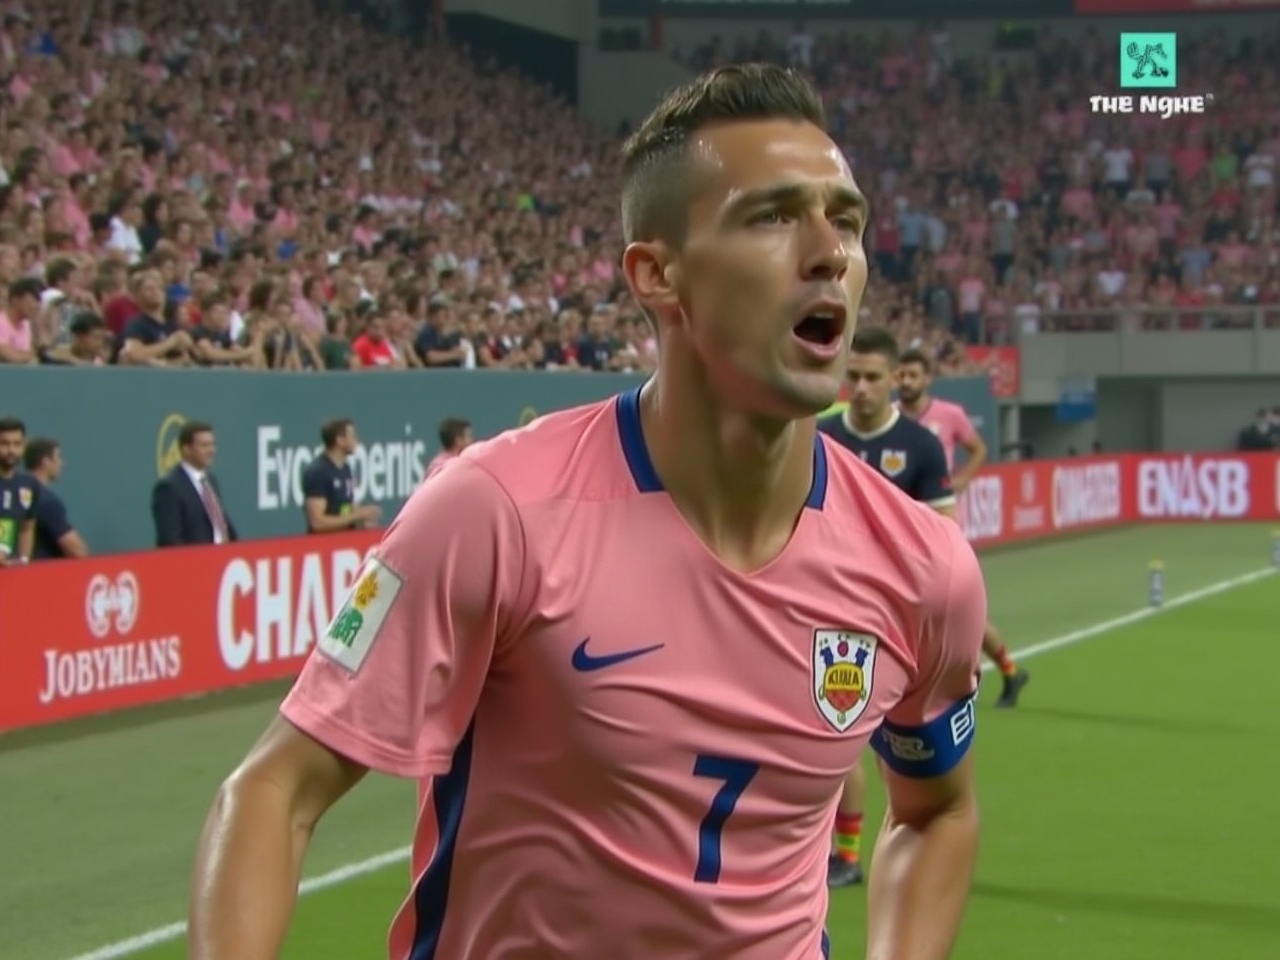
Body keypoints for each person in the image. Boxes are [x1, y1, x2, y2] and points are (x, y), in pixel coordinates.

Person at [189, 64, 985, 960]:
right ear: (657, 275)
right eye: (772, 216)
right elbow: (273, 792)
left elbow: (936, 810)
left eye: (846, 220)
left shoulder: (923, 566)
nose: (830, 252)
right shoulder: (496, 512)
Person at [816, 326, 958, 889]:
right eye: (853, 376)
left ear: (896, 379)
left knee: (898, 752)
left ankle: (911, 838)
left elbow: (946, 537)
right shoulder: (817, 436)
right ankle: (844, 855)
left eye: (874, 378)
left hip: (898, 621)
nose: (863, 388)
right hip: (829, 615)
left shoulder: (921, 446)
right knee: (839, 738)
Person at [898, 347, 1029, 708]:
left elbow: (978, 448)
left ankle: (1007, 669)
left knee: (957, 612)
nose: (906, 382)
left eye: (912, 375)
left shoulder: (949, 415)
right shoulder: (889, 419)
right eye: (901, 375)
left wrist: (962, 480)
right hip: (896, 531)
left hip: (939, 528)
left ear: (927, 379)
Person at [151, 420, 238, 547]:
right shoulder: (170, 488)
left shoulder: (210, 481)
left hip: (223, 560)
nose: (211, 450)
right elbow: (170, 541)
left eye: (213, 445)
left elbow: (222, 527)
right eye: (204, 445)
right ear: (187, 449)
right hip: (195, 563)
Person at [301, 418, 382, 534]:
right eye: (352, 436)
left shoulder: (345, 468)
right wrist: (356, 516)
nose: (356, 440)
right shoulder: (318, 472)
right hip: (323, 545)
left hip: (344, 541)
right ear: (340, 440)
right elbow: (317, 522)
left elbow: (345, 508)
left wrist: (361, 520)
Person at [23, 436, 89, 559]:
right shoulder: (46, 501)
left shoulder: (16, 493)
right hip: (43, 574)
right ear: (45, 461)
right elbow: (76, 549)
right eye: (58, 457)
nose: (62, 463)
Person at [0, 417, 37, 564]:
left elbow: (26, 528)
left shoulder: (28, 485)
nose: (11, 450)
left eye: (17, 444)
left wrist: (23, 560)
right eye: (4, 444)